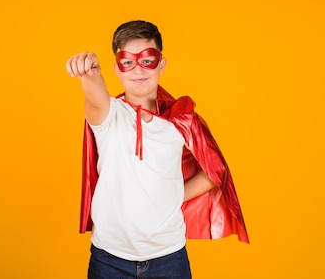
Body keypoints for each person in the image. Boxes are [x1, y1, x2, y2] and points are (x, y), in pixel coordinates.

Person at [66, 20, 248, 279]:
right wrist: (90, 71)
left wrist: (173, 196)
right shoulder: (109, 114)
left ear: (161, 64)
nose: (137, 70)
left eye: (147, 60)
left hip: (168, 258)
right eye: (128, 62)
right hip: (109, 259)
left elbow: (214, 170)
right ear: (117, 69)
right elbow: (95, 94)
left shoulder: (181, 120)